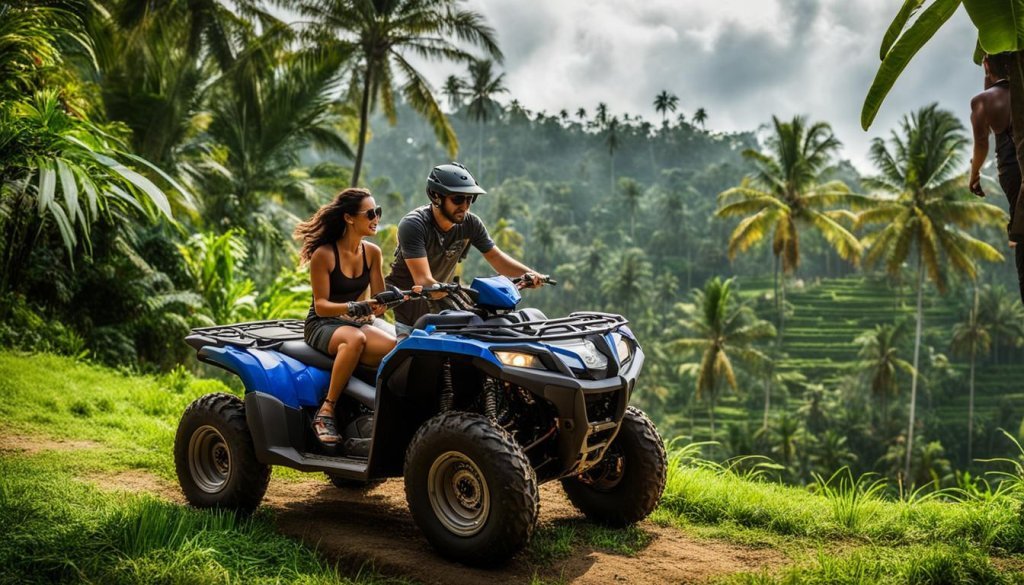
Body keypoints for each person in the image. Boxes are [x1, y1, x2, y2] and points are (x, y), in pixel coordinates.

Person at [385, 162, 546, 335]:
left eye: (470, 199)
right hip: (407, 313)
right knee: (412, 358)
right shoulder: (414, 224)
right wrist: (451, 289)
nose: (465, 205)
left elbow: (496, 258)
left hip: (443, 312)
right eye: (458, 199)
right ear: (435, 196)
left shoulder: (470, 223)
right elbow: (423, 281)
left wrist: (528, 274)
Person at [294, 188, 396, 445]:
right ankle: (326, 410)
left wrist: (385, 303)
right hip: (323, 324)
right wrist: (352, 307)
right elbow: (321, 307)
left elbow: (379, 302)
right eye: (371, 213)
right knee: (354, 341)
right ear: (350, 218)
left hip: (355, 322)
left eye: (378, 212)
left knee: (397, 348)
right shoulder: (325, 255)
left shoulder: (372, 253)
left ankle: (368, 408)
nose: (376, 218)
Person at [969, 52, 1023, 303]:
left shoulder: (984, 101)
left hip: (1013, 171)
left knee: (1021, 236)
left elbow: (982, 143)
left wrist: (974, 172)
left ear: (987, 65)